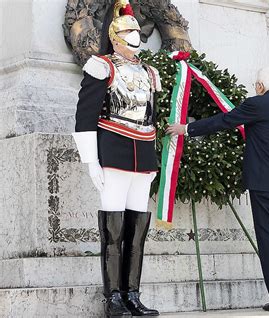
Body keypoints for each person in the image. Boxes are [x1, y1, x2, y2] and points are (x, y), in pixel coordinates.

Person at [166, 67, 269, 312]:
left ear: (260, 86)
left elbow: (224, 120)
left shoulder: (257, 104)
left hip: (263, 181)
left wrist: (186, 128)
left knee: (268, 237)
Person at [72, 1, 161, 316]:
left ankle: (132, 295)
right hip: (114, 149)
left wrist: (154, 162)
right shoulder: (102, 65)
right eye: (128, 31)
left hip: (144, 153)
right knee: (113, 230)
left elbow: (152, 118)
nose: (135, 36)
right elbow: (85, 116)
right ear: (116, 36)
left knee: (137, 230)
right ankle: (113, 299)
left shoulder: (150, 72)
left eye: (137, 31)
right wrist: (90, 160)